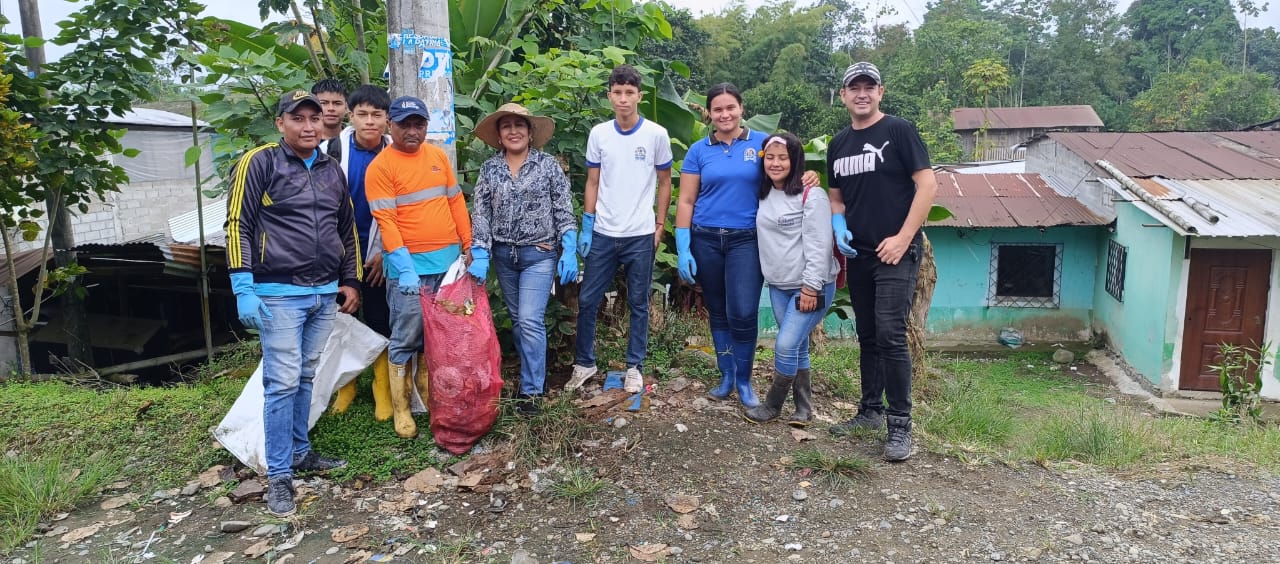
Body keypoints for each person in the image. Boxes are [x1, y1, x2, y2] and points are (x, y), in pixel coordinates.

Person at [225, 89, 362, 516]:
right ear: (280, 123)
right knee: (282, 382)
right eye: (298, 118)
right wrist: (242, 286)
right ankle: (280, 475)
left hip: (323, 292)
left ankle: (300, 452)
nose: (308, 126)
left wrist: (350, 280)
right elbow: (238, 223)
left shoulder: (330, 169)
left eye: (314, 119)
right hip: (278, 292)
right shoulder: (260, 162)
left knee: (305, 375)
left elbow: (346, 228)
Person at [674, 83, 818, 409]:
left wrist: (809, 175)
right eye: (718, 109)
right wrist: (683, 246)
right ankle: (726, 375)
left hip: (747, 240)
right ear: (709, 113)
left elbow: (785, 166)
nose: (724, 114)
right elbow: (686, 200)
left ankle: (744, 378)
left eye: (731, 108)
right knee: (718, 311)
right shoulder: (698, 150)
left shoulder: (761, 144)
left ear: (741, 109)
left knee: (743, 311)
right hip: (706, 238)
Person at [826, 62, 938, 462]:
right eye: (854, 87)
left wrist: (904, 238)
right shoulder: (839, 144)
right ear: (843, 95)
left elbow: (928, 185)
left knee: (891, 334)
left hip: (897, 253)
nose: (862, 94)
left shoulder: (898, 131)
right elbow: (836, 197)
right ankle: (869, 411)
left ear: (880, 92)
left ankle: (900, 425)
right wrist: (839, 226)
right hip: (859, 254)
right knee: (869, 334)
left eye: (868, 87)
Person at [365, 95, 472, 439]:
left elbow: (455, 202)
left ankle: (427, 395)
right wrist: (404, 266)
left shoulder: (437, 157)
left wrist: (469, 245)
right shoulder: (380, 168)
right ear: (390, 126)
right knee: (406, 335)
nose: (412, 131)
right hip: (409, 270)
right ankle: (402, 408)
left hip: (447, 266)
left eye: (419, 124)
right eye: (405, 125)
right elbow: (387, 222)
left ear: (426, 126)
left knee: (438, 335)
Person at [564, 64, 673, 394]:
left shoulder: (656, 134)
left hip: (640, 233)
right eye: (617, 92)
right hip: (603, 232)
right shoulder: (599, 134)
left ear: (639, 96)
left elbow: (665, 182)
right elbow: (593, 181)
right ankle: (584, 363)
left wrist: (659, 225)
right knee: (588, 299)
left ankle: (634, 367)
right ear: (609, 96)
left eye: (629, 92)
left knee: (638, 302)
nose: (623, 99)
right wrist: (587, 223)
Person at [467, 103, 577, 416]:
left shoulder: (548, 166)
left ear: (530, 132)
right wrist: (480, 251)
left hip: (538, 254)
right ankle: (531, 375)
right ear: (499, 134)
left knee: (529, 320)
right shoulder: (490, 169)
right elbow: (482, 213)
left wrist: (569, 246)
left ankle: (532, 390)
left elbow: (563, 208)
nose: (513, 131)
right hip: (504, 255)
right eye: (507, 126)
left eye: (519, 125)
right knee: (518, 321)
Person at [744, 132, 840, 426]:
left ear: (795, 160)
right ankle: (804, 409)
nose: (775, 163)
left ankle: (772, 405)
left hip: (810, 286)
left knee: (785, 345)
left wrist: (810, 287)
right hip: (778, 286)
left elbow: (820, 245)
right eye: (770, 157)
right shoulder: (763, 193)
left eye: (783, 158)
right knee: (797, 346)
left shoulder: (812, 195)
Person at [319, 85, 395, 421]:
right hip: (338, 250)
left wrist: (387, 251)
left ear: (387, 119)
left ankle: (383, 387)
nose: (369, 121)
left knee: (380, 317)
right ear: (351, 116)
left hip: (382, 250)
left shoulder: (396, 151)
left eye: (377, 115)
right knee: (340, 316)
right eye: (362, 114)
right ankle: (345, 386)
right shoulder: (329, 151)